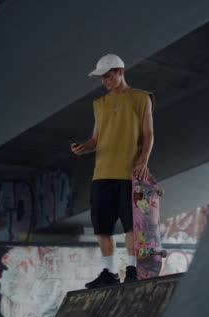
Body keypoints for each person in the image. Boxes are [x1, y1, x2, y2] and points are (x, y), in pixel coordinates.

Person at [71, 53, 155, 289]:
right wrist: (82, 148)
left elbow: (148, 134)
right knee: (102, 228)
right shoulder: (99, 104)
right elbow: (96, 138)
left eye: (108, 76)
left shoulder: (141, 98)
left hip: (129, 173)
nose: (104, 81)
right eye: (102, 78)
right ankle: (109, 273)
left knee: (130, 226)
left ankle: (131, 270)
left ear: (121, 71)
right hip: (102, 174)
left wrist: (143, 160)